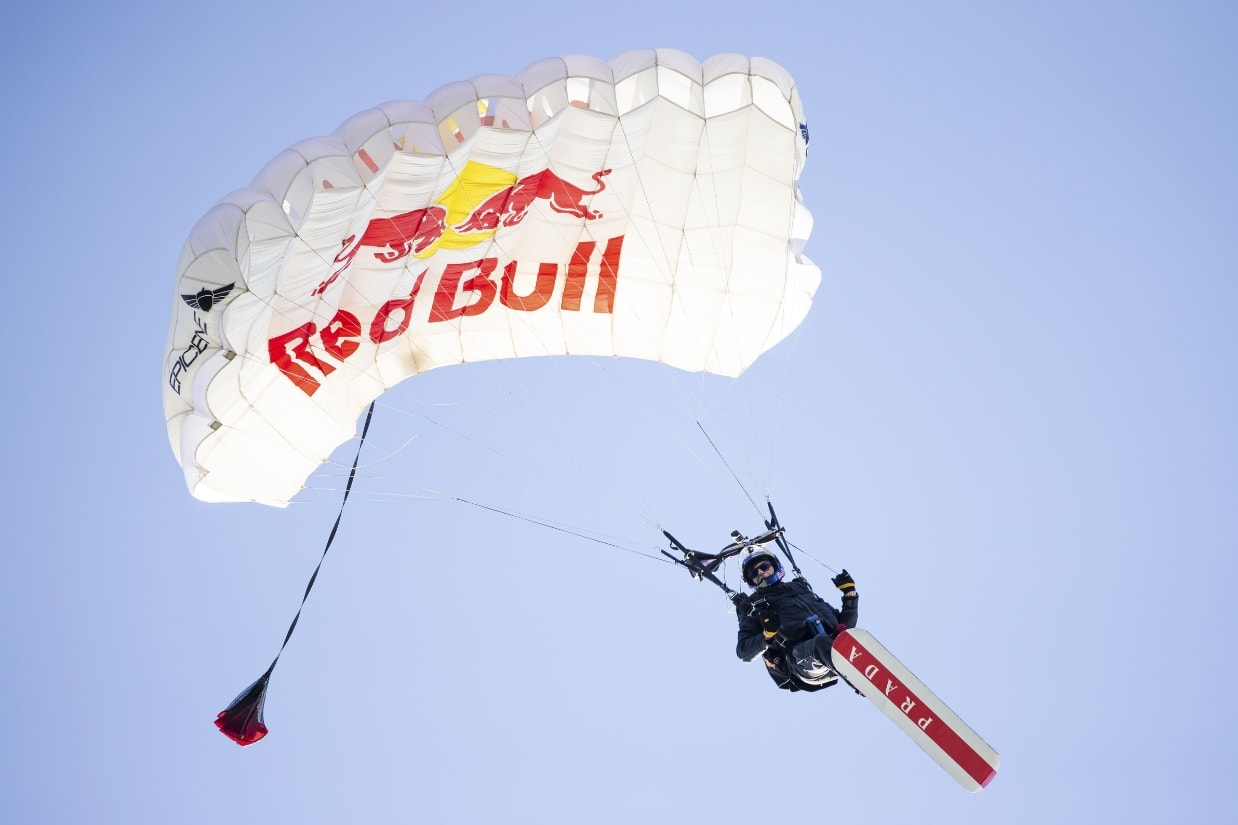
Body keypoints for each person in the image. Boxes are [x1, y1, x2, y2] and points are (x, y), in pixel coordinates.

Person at [731, 548, 858, 692]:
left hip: (833, 653)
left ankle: (871, 670)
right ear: (751, 579)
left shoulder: (800, 588)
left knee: (849, 638)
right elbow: (744, 652)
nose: (760, 572)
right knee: (820, 642)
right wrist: (768, 634)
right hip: (800, 660)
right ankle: (862, 680)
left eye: (764, 566)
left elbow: (844, 627)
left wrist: (850, 595)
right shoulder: (753, 604)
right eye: (754, 573)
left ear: (774, 566)